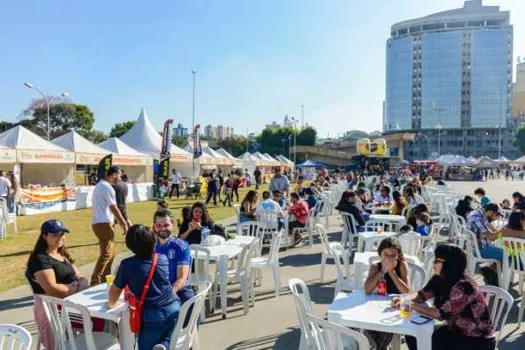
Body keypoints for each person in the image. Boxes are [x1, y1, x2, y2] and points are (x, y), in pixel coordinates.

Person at [392, 244, 495, 350]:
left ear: (448, 264)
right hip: (456, 330)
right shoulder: (440, 278)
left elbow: (440, 314)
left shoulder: (464, 287)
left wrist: (411, 305)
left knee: (424, 339)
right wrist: (404, 298)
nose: (434, 263)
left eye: (437, 260)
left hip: (477, 340)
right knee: (414, 334)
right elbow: (421, 295)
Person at [108, 224, 180, 350]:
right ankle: (164, 345)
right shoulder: (162, 259)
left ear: (130, 245)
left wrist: (110, 304)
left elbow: (115, 292)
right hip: (174, 308)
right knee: (168, 336)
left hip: (152, 317)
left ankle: (162, 345)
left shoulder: (127, 265)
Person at [26, 219, 91, 350]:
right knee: (99, 324)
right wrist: (77, 286)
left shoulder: (61, 254)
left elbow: (82, 277)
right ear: (44, 236)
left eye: (62, 234)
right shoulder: (40, 259)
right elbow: (52, 289)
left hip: (70, 306)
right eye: (55, 235)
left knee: (105, 323)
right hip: (51, 310)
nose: (60, 238)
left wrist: (79, 283)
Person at [364, 238, 411, 350]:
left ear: (397, 255)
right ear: (380, 254)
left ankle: (378, 347)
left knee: (385, 330)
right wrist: (382, 272)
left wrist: (392, 273)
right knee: (369, 328)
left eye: (392, 255)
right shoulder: (376, 267)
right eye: (386, 255)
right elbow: (367, 289)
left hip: (395, 309)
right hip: (377, 308)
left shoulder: (402, 266)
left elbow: (407, 292)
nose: (389, 258)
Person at [90, 166, 128, 286]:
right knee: (107, 253)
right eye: (119, 176)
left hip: (100, 223)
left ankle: (106, 280)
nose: (120, 179)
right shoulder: (107, 187)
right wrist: (124, 223)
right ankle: (95, 281)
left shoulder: (100, 186)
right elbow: (114, 209)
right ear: (115, 174)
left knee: (111, 252)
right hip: (103, 223)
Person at [153, 209, 194, 305]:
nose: (162, 228)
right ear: (154, 226)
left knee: (189, 303)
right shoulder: (151, 246)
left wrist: (167, 296)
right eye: (159, 225)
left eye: (166, 225)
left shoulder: (180, 246)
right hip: (157, 290)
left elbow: (182, 278)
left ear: (173, 225)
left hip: (179, 291)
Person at [467, 203, 503, 286]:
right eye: (496, 215)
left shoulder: (480, 214)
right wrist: (503, 230)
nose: (496, 217)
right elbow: (491, 237)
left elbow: (491, 230)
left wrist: (498, 231)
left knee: (501, 250)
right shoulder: (477, 219)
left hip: (477, 247)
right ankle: (493, 274)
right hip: (481, 250)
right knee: (506, 254)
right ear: (490, 212)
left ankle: (490, 272)